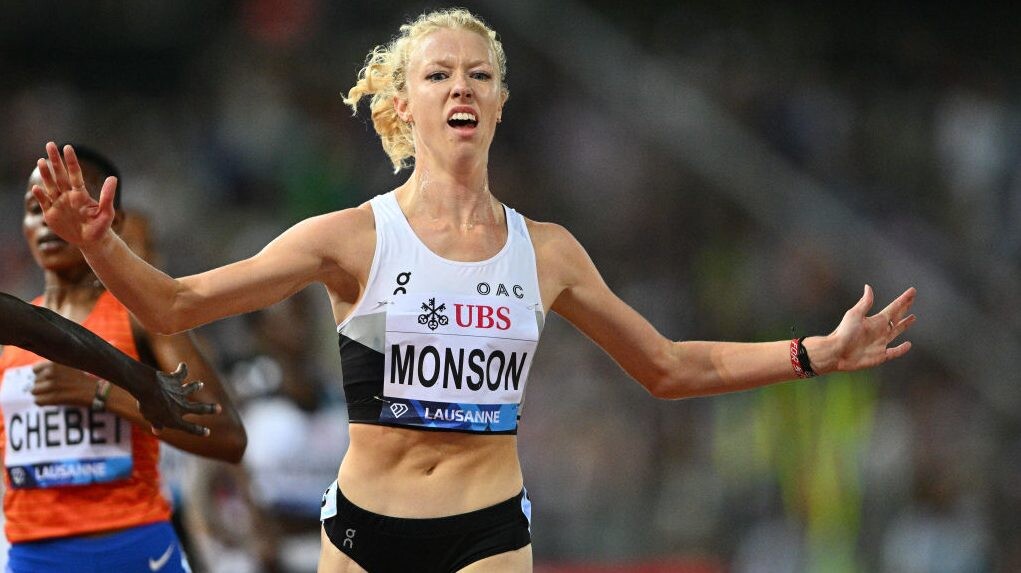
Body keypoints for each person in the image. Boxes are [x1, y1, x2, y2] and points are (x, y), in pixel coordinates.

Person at [32, 8, 917, 572]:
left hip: (485, 531)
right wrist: (99, 242)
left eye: (479, 74)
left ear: (497, 104)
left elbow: (668, 366)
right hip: (364, 532)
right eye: (438, 73)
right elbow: (175, 304)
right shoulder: (350, 237)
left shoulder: (548, 251)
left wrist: (812, 353)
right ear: (402, 106)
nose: (461, 84)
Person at [4, 146, 247, 573]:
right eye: (35, 208)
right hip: (34, 554)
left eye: (71, 202)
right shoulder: (11, 334)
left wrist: (101, 394)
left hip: (134, 547)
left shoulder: (141, 317)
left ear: (112, 219)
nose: (48, 221)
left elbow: (227, 438)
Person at [0, 291, 217, 436]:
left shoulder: (137, 318)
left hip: (137, 491)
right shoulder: (10, 347)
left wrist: (102, 392)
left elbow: (222, 433)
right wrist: (142, 383)